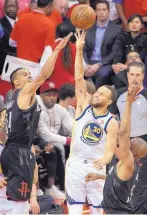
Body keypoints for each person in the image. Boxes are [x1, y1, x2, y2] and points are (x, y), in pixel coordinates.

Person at [0, 33, 72, 213]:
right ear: (16, 82)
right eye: (25, 74)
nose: (29, 76)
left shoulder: (10, 98)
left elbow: (3, 132)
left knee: (8, 199)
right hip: (19, 153)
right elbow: (44, 75)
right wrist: (56, 50)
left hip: (12, 150)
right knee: (20, 205)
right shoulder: (24, 93)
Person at [65, 30, 119, 214]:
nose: (97, 94)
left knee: (97, 211)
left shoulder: (111, 122)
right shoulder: (83, 106)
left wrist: (104, 160)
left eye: (102, 94)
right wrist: (79, 50)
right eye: (97, 92)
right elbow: (79, 77)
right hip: (76, 164)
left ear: (109, 102)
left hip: (96, 167)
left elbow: (110, 150)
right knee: (74, 210)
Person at [86, 86, 147, 214]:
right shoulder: (125, 164)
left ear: (134, 152)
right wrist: (99, 176)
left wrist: (129, 104)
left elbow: (124, 133)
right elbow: (116, 178)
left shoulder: (128, 161)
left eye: (132, 141)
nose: (129, 140)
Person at [83, 0, 121, 88]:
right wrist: (86, 65)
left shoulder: (116, 29)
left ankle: (95, 99)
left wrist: (99, 64)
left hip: (105, 63)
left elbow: (114, 53)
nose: (101, 12)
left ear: (109, 11)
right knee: (77, 72)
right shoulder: (88, 27)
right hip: (88, 62)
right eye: (99, 10)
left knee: (102, 74)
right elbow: (83, 49)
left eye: (104, 10)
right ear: (95, 12)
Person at [40, 23, 76, 88]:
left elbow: (43, 69)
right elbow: (83, 69)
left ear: (56, 34)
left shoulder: (50, 48)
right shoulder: (76, 48)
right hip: (72, 87)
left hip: (54, 87)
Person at [0, 0, 18, 75]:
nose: (11, 9)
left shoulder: (23, 22)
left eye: (13, 6)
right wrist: (18, 56)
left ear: (17, 8)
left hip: (24, 65)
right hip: (5, 67)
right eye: (8, 6)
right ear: (4, 8)